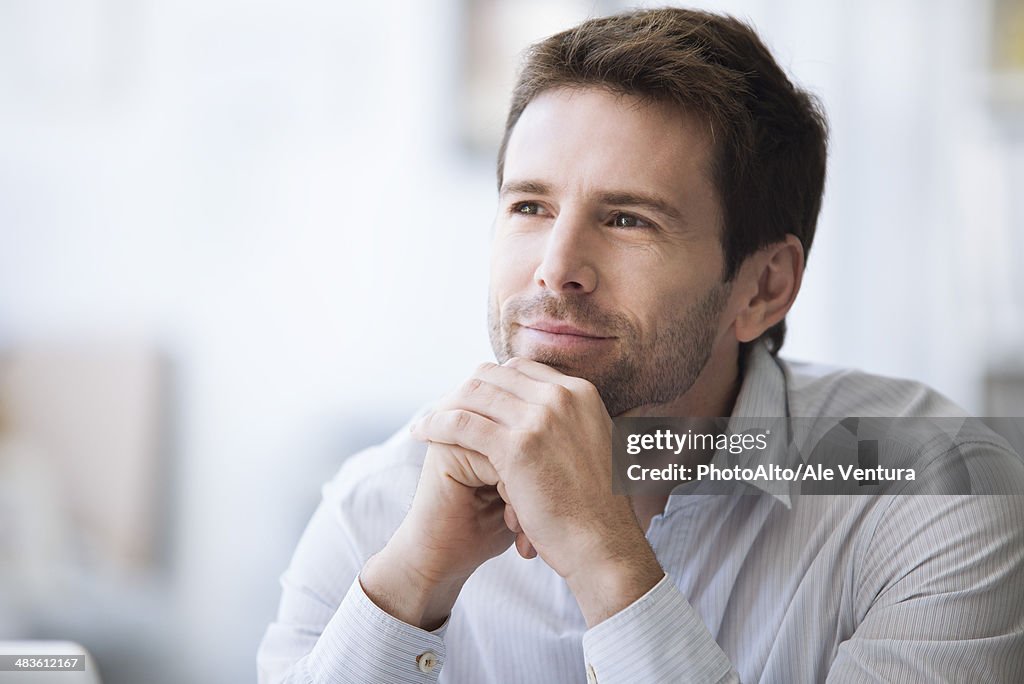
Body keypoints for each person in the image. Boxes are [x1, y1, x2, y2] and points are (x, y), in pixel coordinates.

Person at [257, 8, 1024, 683]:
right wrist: (411, 584)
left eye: (628, 219)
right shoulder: (378, 510)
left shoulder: (930, 488)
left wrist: (608, 560)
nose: (556, 267)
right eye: (530, 205)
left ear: (762, 288)